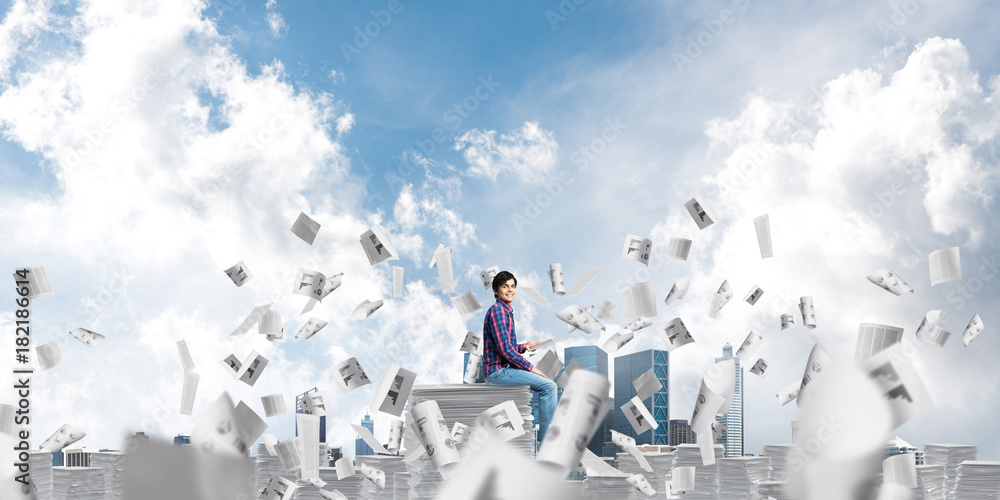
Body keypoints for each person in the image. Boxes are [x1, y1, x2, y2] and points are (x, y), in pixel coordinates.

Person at [481, 270, 558, 444]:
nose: (510, 290)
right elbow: (506, 351)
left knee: (544, 384)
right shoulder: (498, 311)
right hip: (497, 372)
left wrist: (524, 346)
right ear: (496, 291)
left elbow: (503, 345)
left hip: (502, 369)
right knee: (549, 386)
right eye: (505, 286)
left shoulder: (505, 311)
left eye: (513, 286)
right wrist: (533, 369)